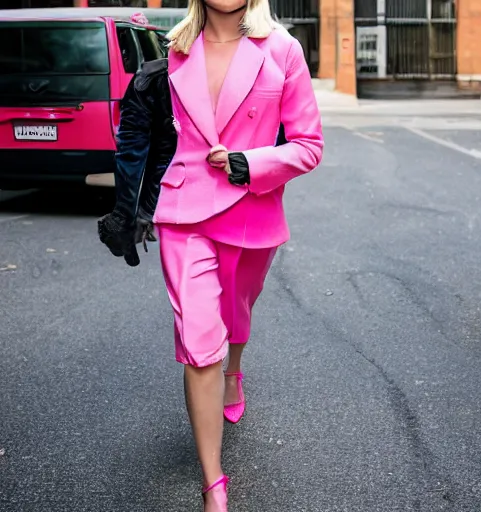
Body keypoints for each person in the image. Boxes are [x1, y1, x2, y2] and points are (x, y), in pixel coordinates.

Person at [154, 1, 324, 510]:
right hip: (185, 211)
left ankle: (235, 370)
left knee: (237, 310)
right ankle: (213, 485)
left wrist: (250, 162)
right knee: (200, 338)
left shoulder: (282, 50)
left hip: (251, 207)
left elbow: (308, 145)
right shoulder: (177, 50)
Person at [98, 54, 176, 266]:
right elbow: (160, 154)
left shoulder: (152, 76)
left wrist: (129, 213)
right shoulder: (153, 78)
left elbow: (135, 153)